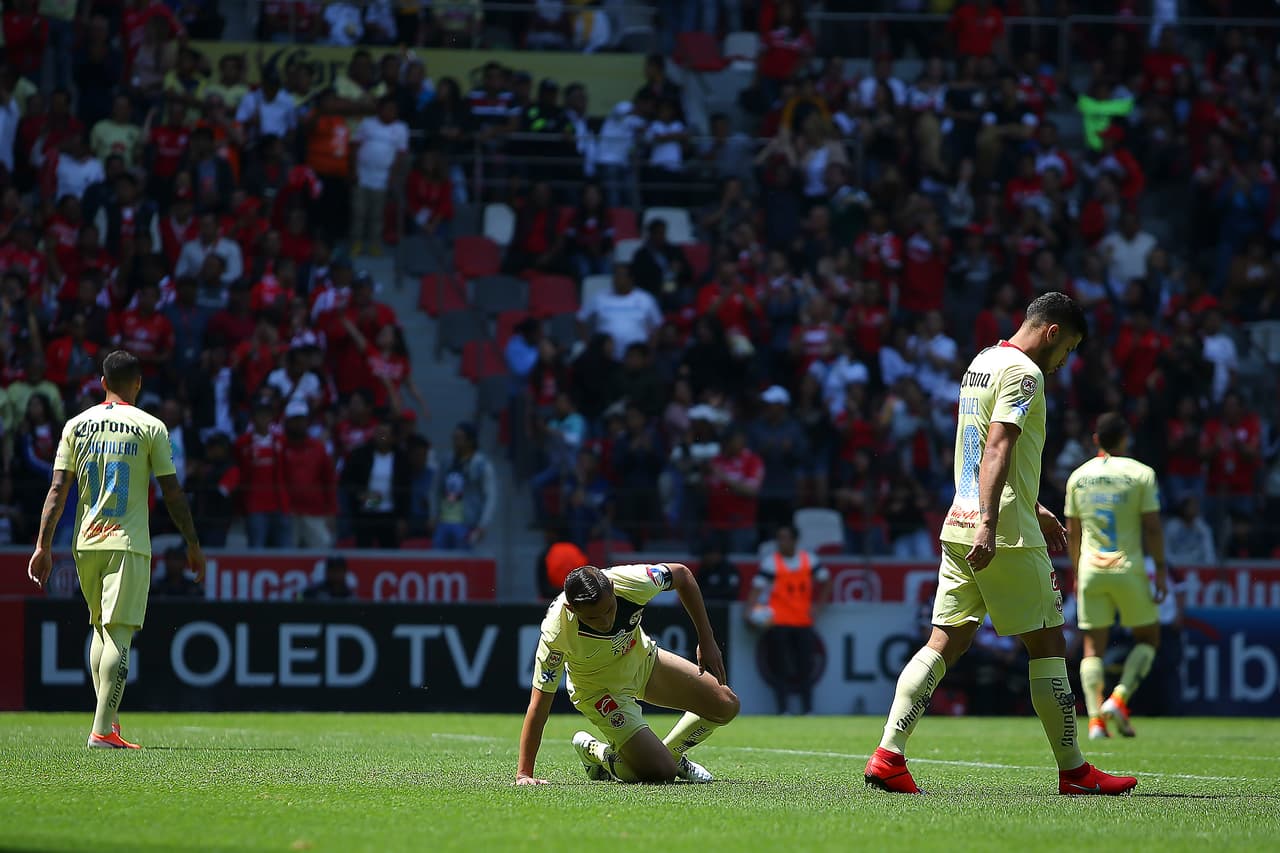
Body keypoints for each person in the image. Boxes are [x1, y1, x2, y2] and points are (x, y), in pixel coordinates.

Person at [863, 292, 1138, 796]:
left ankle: (888, 755)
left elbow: (975, 450)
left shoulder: (982, 362)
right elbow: (997, 445)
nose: (1065, 363)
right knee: (1048, 643)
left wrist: (1027, 503)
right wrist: (996, 520)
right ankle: (1076, 773)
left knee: (947, 639)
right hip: (1002, 531)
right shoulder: (1025, 373)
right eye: (1069, 349)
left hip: (960, 517)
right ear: (1053, 333)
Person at [26, 350, 206, 749]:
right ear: (138, 384)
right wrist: (192, 543)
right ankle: (102, 730)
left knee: (100, 630)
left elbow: (58, 489)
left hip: (85, 541)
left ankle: (109, 721)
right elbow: (172, 493)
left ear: (102, 383)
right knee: (120, 635)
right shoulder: (151, 427)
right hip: (127, 543)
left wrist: (43, 544)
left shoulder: (77, 424)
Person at [516, 563, 738, 785]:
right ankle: (595, 751)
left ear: (612, 588)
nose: (605, 621)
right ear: (572, 609)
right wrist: (524, 773)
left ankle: (670, 755)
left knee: (725, 705)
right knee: (661, 774)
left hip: (644, 663)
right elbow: (540, 703)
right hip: (600, 693)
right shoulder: (556, 632)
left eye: (609, 609)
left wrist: (706, 639)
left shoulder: (633, 581)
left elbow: (682, 574)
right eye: (593, 618)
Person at [1065, 413, 1166, 741]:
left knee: (1093, 647)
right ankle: (1119, 699)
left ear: (1096, 440)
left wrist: (1077, 574)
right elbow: (1151, 527)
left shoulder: (1078, 477)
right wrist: (1161, 571)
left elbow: (1073, 532)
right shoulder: (1141, 474)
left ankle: (1095, 722)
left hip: (1091, 569)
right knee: (1148, 638)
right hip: (1127, 569)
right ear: (1125, 438)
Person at [750, 523, 831, 715]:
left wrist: (818, 607)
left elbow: (826, 582)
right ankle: (783, 709)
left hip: (803, 622)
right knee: (781, 667)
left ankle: (808, 709)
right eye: (779, 538)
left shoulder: (808, 560)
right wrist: (749, 612)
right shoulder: (771, 563)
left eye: (785, 538)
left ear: (795, 540)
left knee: (806, 666)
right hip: (779, 622)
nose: (782, 542)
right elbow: (756, 589)